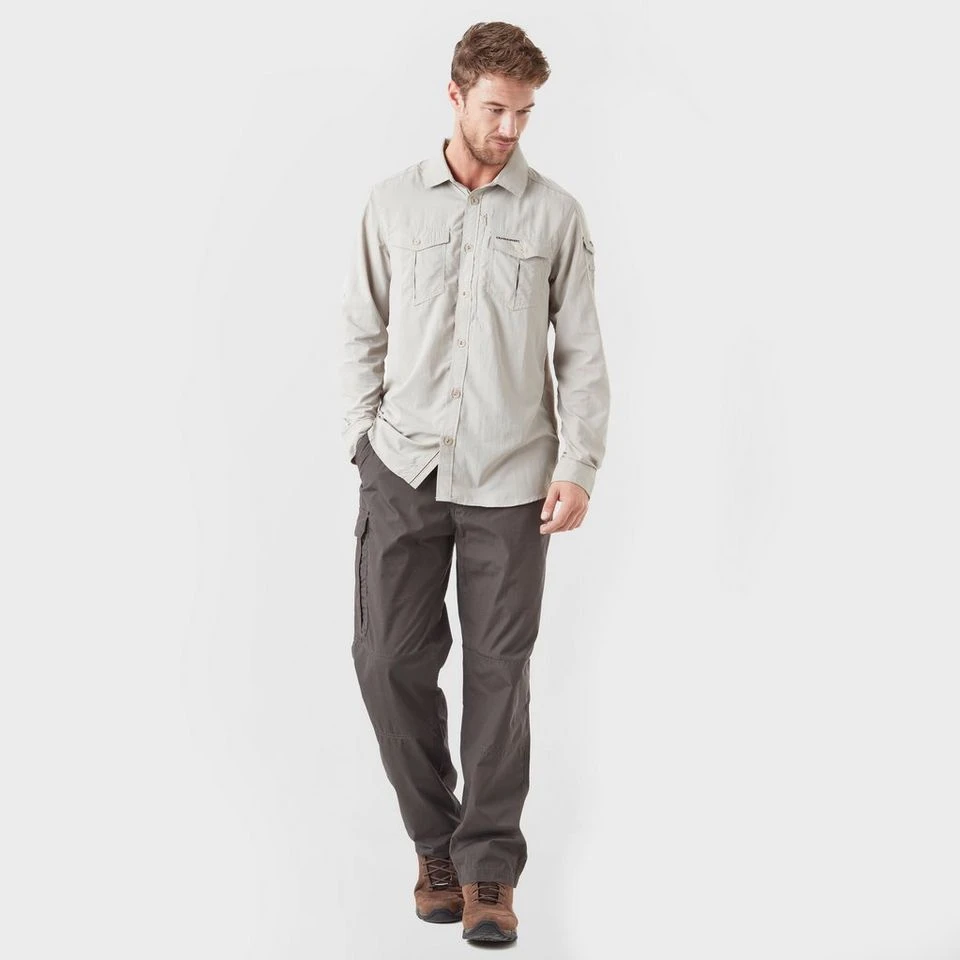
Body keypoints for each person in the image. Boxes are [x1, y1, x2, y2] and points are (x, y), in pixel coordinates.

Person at [339, 20, 610, 945]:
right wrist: (361, 443)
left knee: (500, 675)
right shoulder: (391, 205)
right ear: (454, 96)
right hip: (403, 466)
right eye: (495, 108)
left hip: (513, 477)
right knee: (385, 661)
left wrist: (578, 463)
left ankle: (489, 868)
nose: (510, 128)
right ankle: (435, 843)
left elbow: (582, 352)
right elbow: (360, 329)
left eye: (525, 112)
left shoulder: (556, 215)